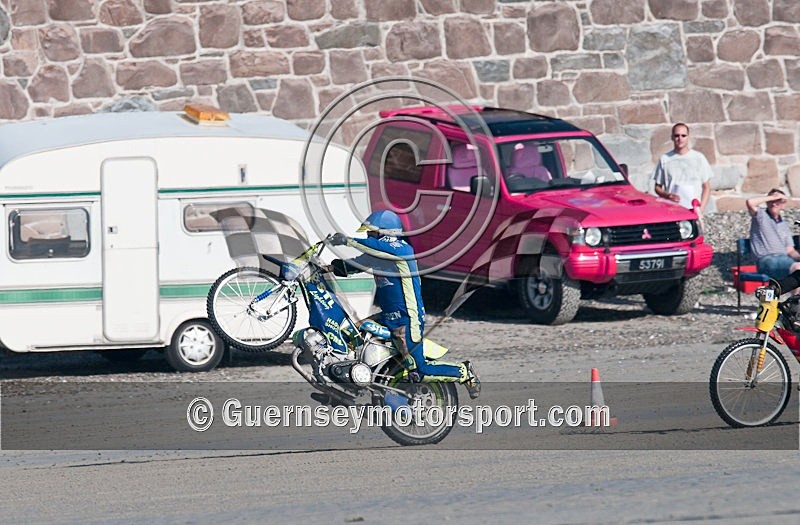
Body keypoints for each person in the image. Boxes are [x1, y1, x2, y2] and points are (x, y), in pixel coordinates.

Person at [328, 209, 481, 399]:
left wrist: (347, 240)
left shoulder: (401, 250)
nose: (369, 236)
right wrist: (327, 268)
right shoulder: (378, 254)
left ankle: (463, 372)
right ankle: (345, 383)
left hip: (407, 321)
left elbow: (373, 247)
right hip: (387, 316)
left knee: (419, 372)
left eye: (372, 233)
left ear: (386, 234)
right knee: (351, 334)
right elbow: (353, 266)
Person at [653, 123, 712, 216]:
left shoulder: (699, 158)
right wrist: (667, 195)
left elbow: (706, 187)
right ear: (672, 137)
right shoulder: (665, 159)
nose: (680, 139)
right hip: (672, 209)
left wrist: (701, 209)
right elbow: (657, 187)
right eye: (677, 135)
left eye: (683, 136)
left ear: (688, 137)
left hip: (694, 209)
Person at [746, 188, 800, 280]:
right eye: (771, 200)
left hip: (784, 259)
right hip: (767, 260)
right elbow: (750, 202)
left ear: (783, 204)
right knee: (797, 269)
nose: (774, 203)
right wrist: (772, 197)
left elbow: (790, 250)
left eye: (777, 201)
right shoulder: (761, 216)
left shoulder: (784, 225)